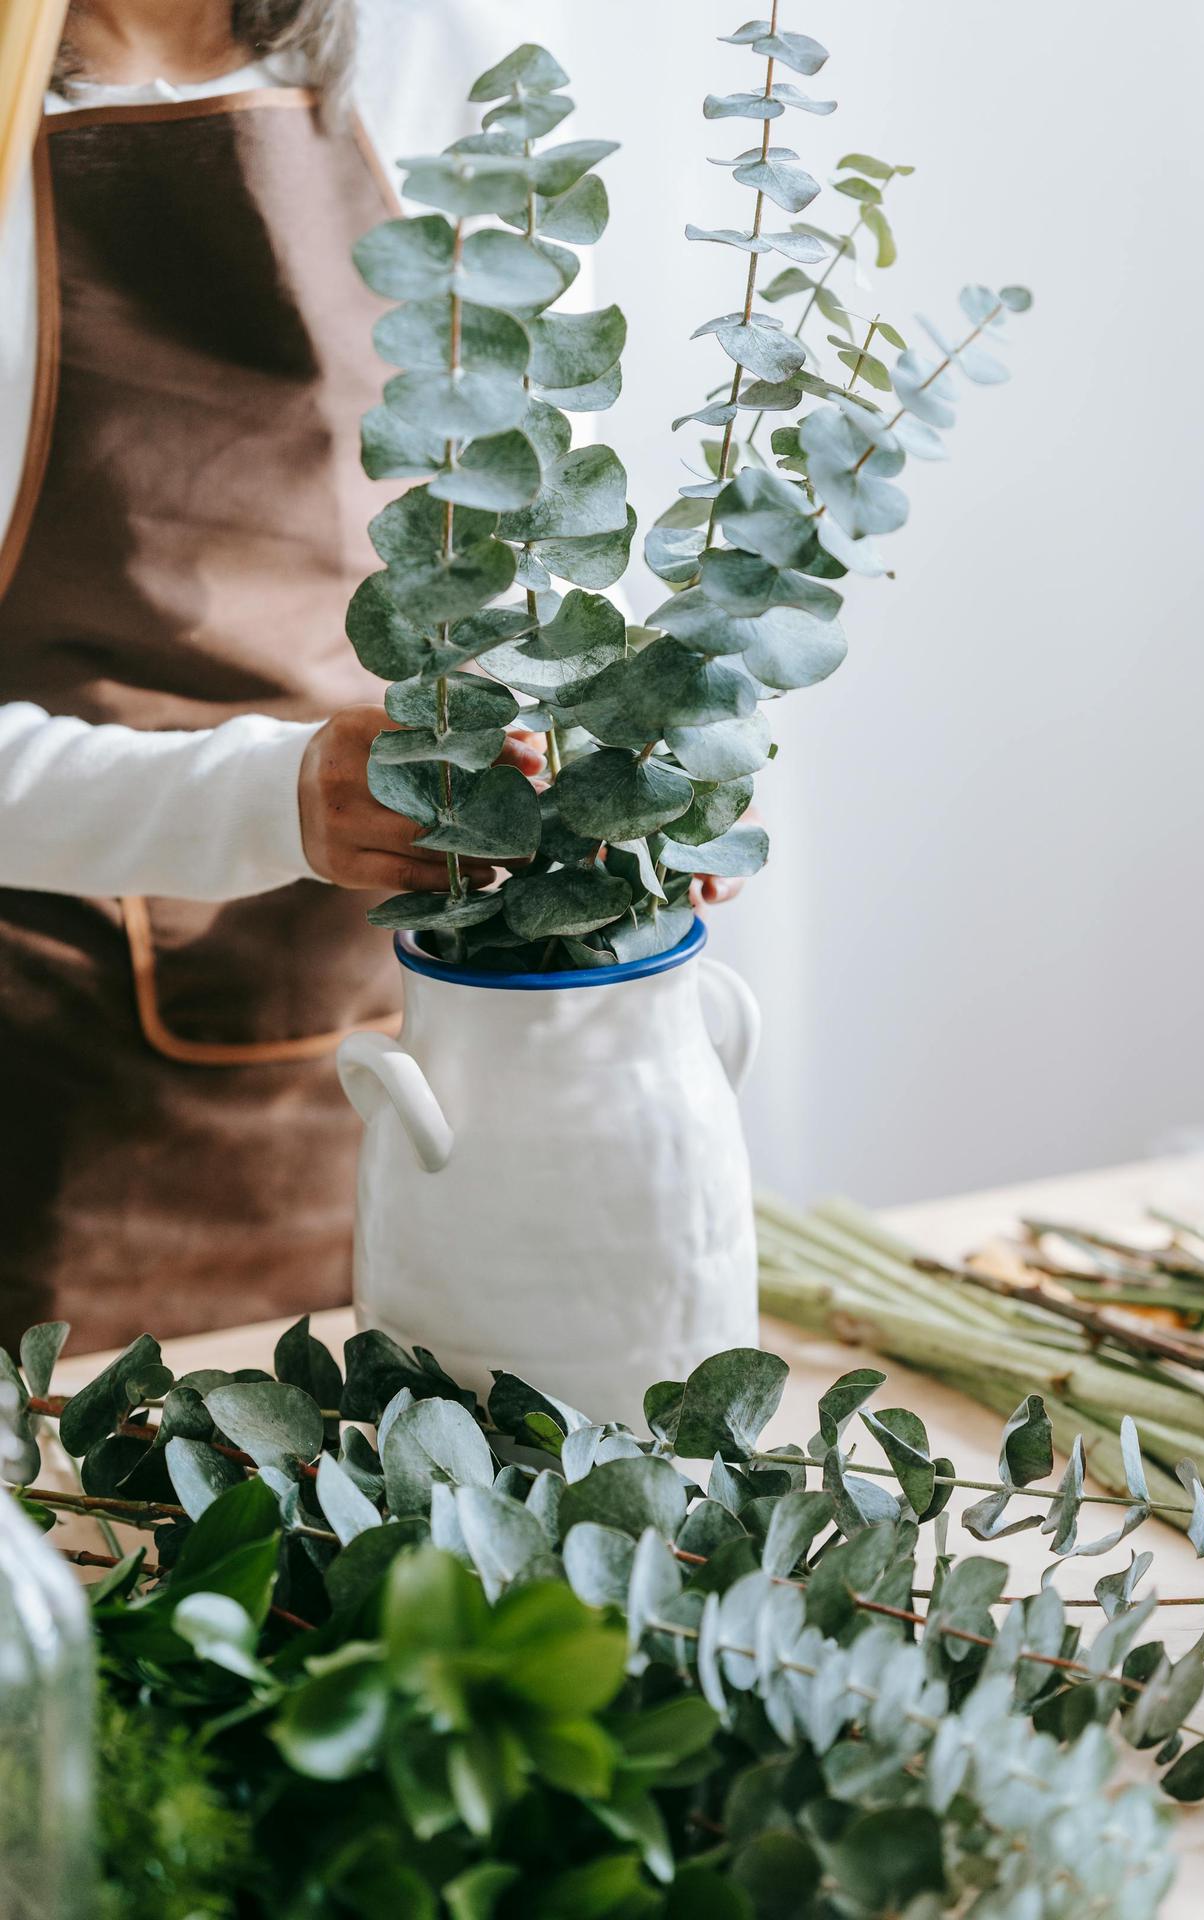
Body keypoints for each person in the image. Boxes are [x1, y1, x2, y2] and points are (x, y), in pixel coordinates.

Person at [0, 0, 743, 1357]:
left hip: (422, 1034)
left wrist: (620, 760)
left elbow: (532, 538)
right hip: (45, 1098)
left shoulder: (433, 52)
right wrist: (273, 798)